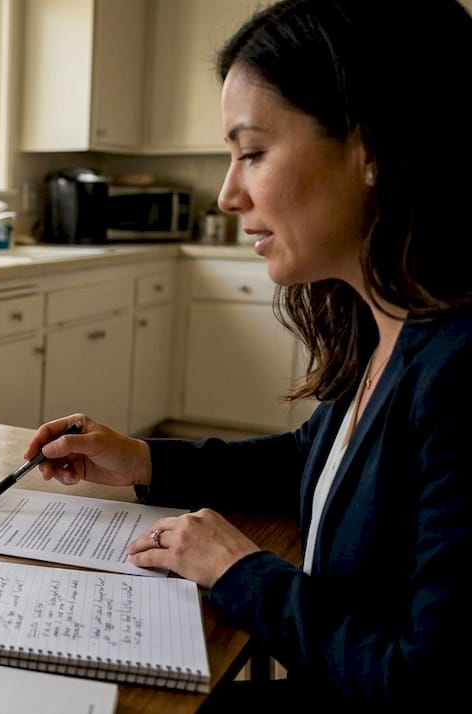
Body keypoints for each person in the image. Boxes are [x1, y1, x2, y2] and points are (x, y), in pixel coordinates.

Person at [23, 0, 472, 709]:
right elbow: (313, 463)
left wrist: (240, 571)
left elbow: (425, 685)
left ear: (372, 150)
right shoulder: (386, 324)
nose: (228, 194)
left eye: (253, 153)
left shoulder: (463, 373)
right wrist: (144, 460)